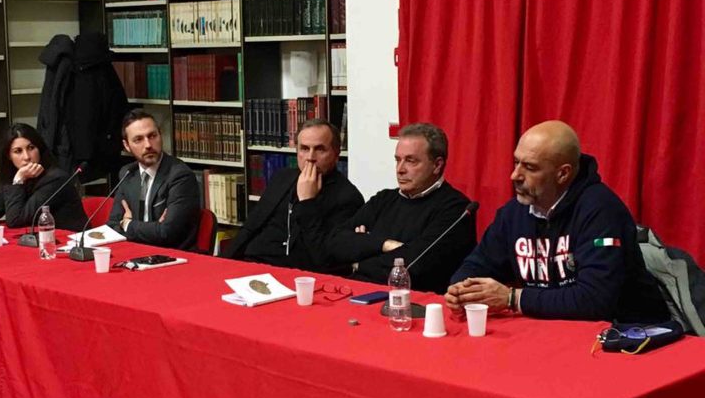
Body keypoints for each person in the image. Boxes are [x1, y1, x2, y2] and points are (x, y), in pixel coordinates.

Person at [445, 120, 669, 322]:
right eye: (516, 162)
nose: (515, 175)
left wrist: (513, 298)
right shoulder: (513, 213)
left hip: (627, 333)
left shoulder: (602, 212)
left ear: (563, 174)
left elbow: (595, 300)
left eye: (530, 167)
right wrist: (462, 289)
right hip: (550, 331)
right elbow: (478, 263)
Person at [327, 123, 476, 293]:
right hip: (357, 291)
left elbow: (415, 266)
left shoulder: (457, 209)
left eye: (411, 161)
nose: (400, 169)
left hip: (414, 301)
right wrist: (384, 244)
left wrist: (357, 261)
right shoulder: (384, 199)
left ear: (437, 165)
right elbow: (334, 244)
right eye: (398, 160)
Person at [225, 119, 364, 273]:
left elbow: (324, 259)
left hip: (297, 276)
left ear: (336, 154)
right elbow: (250, 228)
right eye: (304, 148)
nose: (310, 157)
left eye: (320, 149)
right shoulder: (282, 177)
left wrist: (307, 202)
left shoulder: (348, 197)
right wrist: (222, 263)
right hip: (251, 265)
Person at [107, 109, 200, 250]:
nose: (148, 145)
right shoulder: (128, 173)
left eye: (152, 136)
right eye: (138, 139)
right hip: (137, 252)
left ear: (160, 135)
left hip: (172, 256)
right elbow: (112, 225)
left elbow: (166, 233)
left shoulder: (180, 176)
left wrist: (127, 224)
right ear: (126, 146)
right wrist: (152, 228)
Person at [0, 123, 87, 231]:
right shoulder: (16, 176)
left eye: (31, 148)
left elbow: (15, 220)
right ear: (9, 156)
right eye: (18, 151)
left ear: (39, 149)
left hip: (71, 240)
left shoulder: (56, 179)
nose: (27, 157)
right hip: (40, 238)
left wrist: (18, 180)